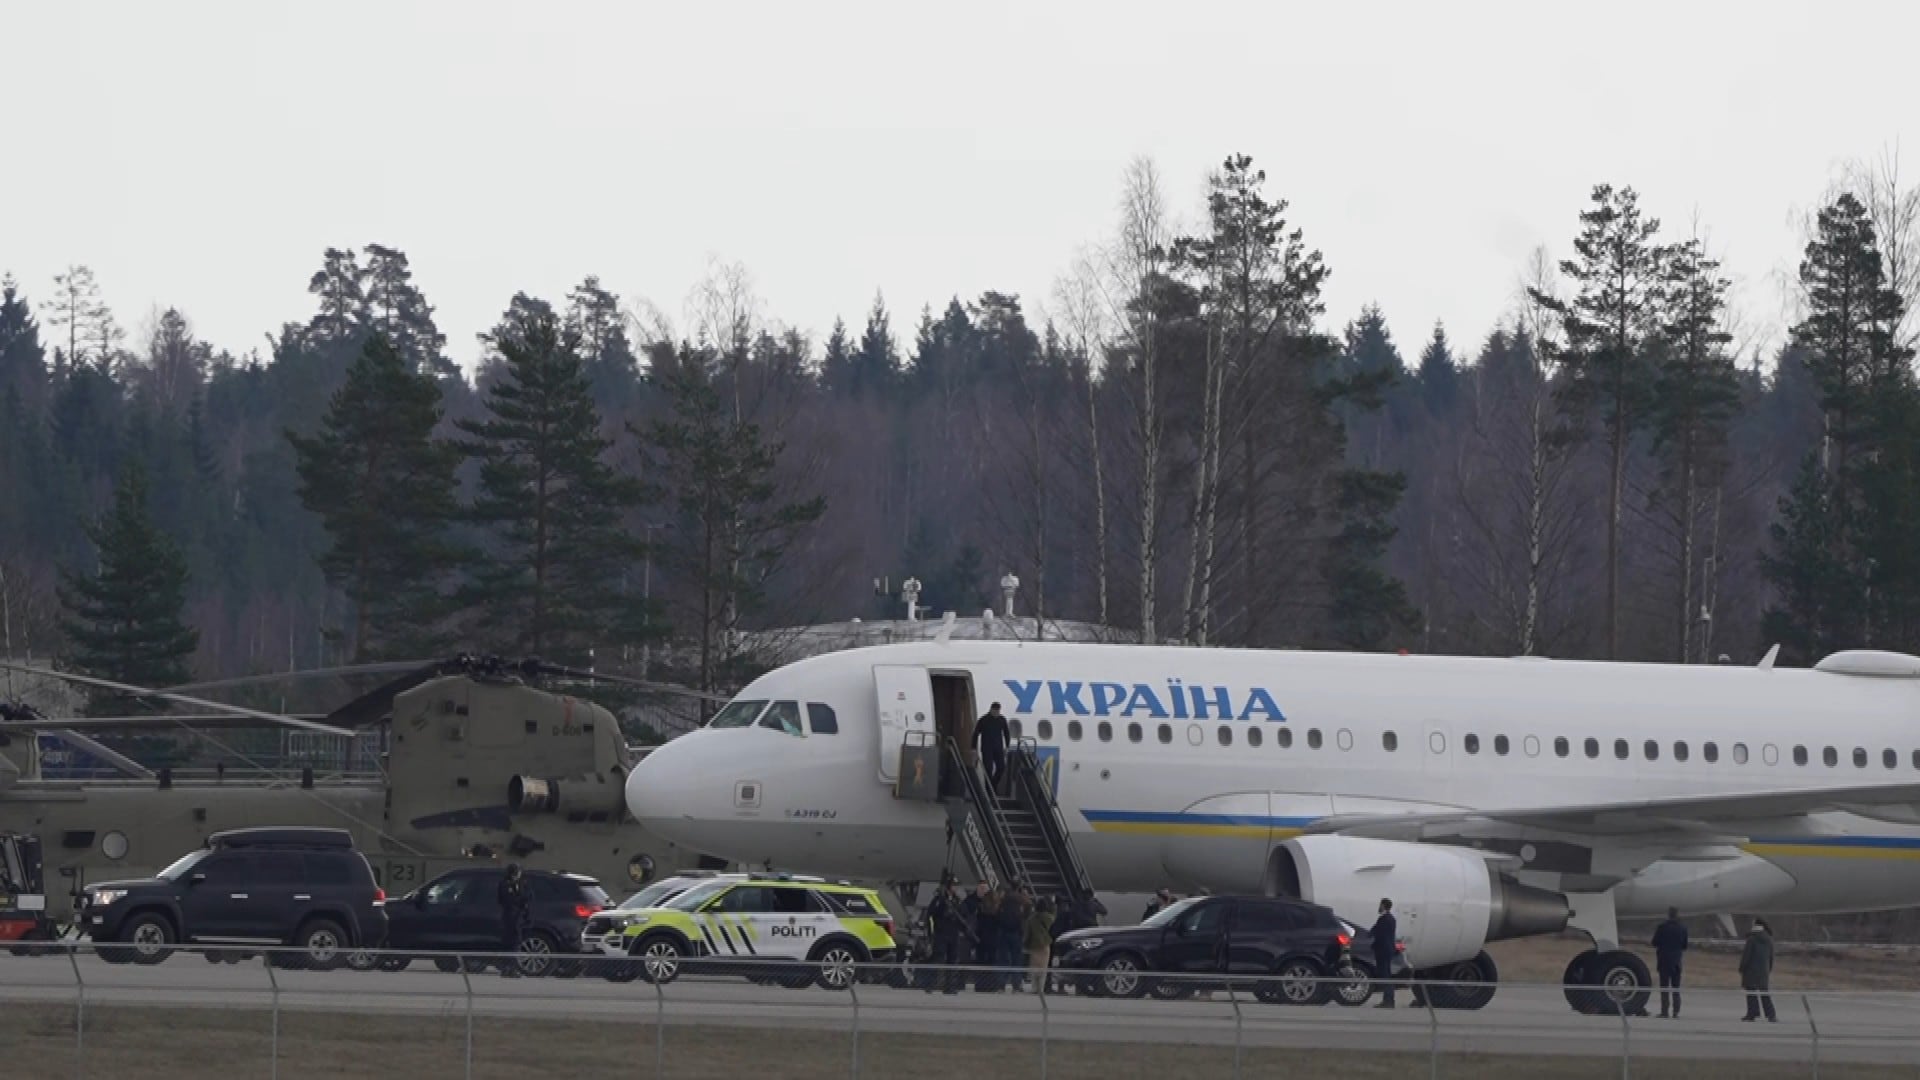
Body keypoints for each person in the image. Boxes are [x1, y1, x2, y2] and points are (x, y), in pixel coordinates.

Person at [923, 875, 972, 994]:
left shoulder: (957, 900)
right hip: (941, 934)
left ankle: (949, 986)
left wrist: (964, 928)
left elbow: (964, 914)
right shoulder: (939, 899)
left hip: (953, 934)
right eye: (953, 885)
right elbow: (930, 915)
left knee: (952, 960)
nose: (955, 888)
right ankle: (930, 984)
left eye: (956, 886)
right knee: (937, 959)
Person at [1652, 907, 1689, 1018]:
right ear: (1677, 915)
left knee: (1664, 988)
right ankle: (1676, 1011)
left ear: (1668, 914)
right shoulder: (1683, 928)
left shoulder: (1662, 927)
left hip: (1664, 961)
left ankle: (1664, 1011)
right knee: (1675, 988)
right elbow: (1685, 946)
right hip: (1676, 962)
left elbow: (1654, 942)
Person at [496, 863, 531, 977]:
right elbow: (506, 900)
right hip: (509, 918)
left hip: (518, 918)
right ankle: (507, 968)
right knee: (509, 943)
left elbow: (527, 897)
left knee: (516, 943)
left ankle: (512, 968)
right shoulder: (505, 884)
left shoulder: (521, 884)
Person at [1740, 919, 1777, 1022]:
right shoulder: (1769, 939)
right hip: (1763, 971)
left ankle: (1752, 1013)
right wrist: (1768, 969)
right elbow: (1771, 957)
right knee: (1764, 993)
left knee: (1751, 993)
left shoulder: (1752, 939)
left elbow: (1746, 956)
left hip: (1751, 970)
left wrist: (1742, 967)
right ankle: (1771, 1014)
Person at [973, 703, 1011, 789]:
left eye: (998, 711)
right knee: (988, 769)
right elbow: (975, 734)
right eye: (995, 711)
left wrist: (1007, 746)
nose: (996, 713)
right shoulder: (984, 720)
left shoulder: (1002, 720)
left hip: (998, 748)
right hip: (987, 748)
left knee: (1001, 767)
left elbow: (1006, 733)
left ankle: (993, 785)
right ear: (991, 710)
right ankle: (989, 790)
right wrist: (974, 748)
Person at [1371, 898, 1398, 1008]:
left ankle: (1388, 1000)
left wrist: (1372, 945)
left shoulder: (1384, 919)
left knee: (1385, 975)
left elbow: (1377, 934)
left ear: (1383, 905)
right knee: (1386, 974)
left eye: (1380, 904)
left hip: (1383, 951)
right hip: (1388, 950)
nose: (1379, 906)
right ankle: (1388, 999)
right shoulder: (1391, 919)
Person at [1026, 896, 1055, 993]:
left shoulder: (1031, 919)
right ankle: (1040, 989)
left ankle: (1034, 987)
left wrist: (1025, 944)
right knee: (1043, 968)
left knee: (1034, 967)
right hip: (1045, 945)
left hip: (1034, 945)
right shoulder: (1049, 918)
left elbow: (1027, 933)